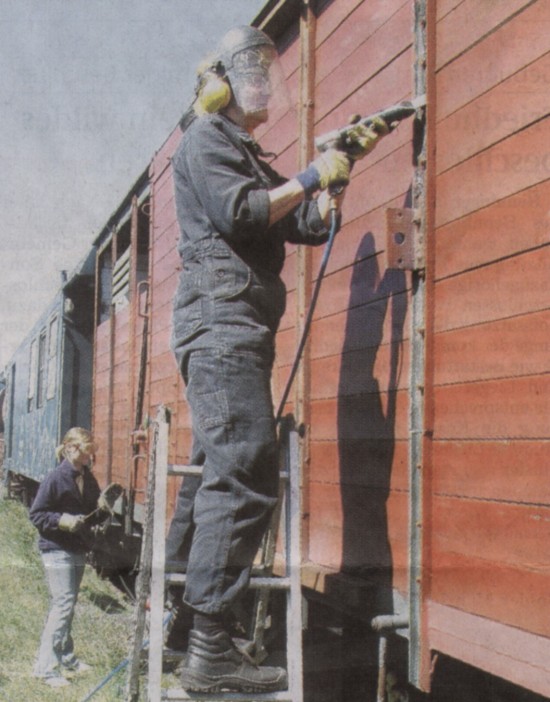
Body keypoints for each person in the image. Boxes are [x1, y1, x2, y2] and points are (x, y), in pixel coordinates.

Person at [167, 25, 384, 694]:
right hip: (221, 323)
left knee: (224, 469)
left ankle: (187, 627)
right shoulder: (205, 140)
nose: (264, 84)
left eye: (268, 72)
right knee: (244, 468)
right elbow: (243, 213)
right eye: (252, 72)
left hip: (239, 328)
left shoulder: (243, 151)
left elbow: (305, 224)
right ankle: (207, 650)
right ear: (220, 84)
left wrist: (338, 170)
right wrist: (313, 173)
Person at [29, 427, 102, 688]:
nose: (89, 457)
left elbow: (93, 511)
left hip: (77, 548)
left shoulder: (87, 477)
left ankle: (66, 657)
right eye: (85, 451)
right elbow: (36, 515)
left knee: (67, 605)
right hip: (55, 548)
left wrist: (104, 509)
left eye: (91, 452)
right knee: (63, 603)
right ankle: (45, 669)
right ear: (70, 448)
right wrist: (62, 520)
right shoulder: (55, 478)